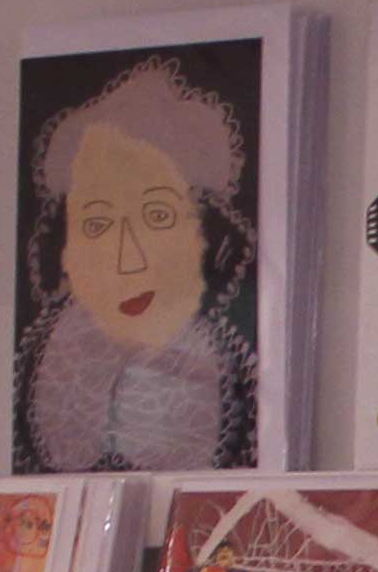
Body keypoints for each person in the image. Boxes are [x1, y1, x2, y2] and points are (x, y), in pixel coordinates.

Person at [18, 58, 258, 469]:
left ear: (206, 237)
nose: (127, 258)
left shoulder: (231, 369)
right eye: (97, 224)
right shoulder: (38, 361)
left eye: (158, 217)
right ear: (63, 249)